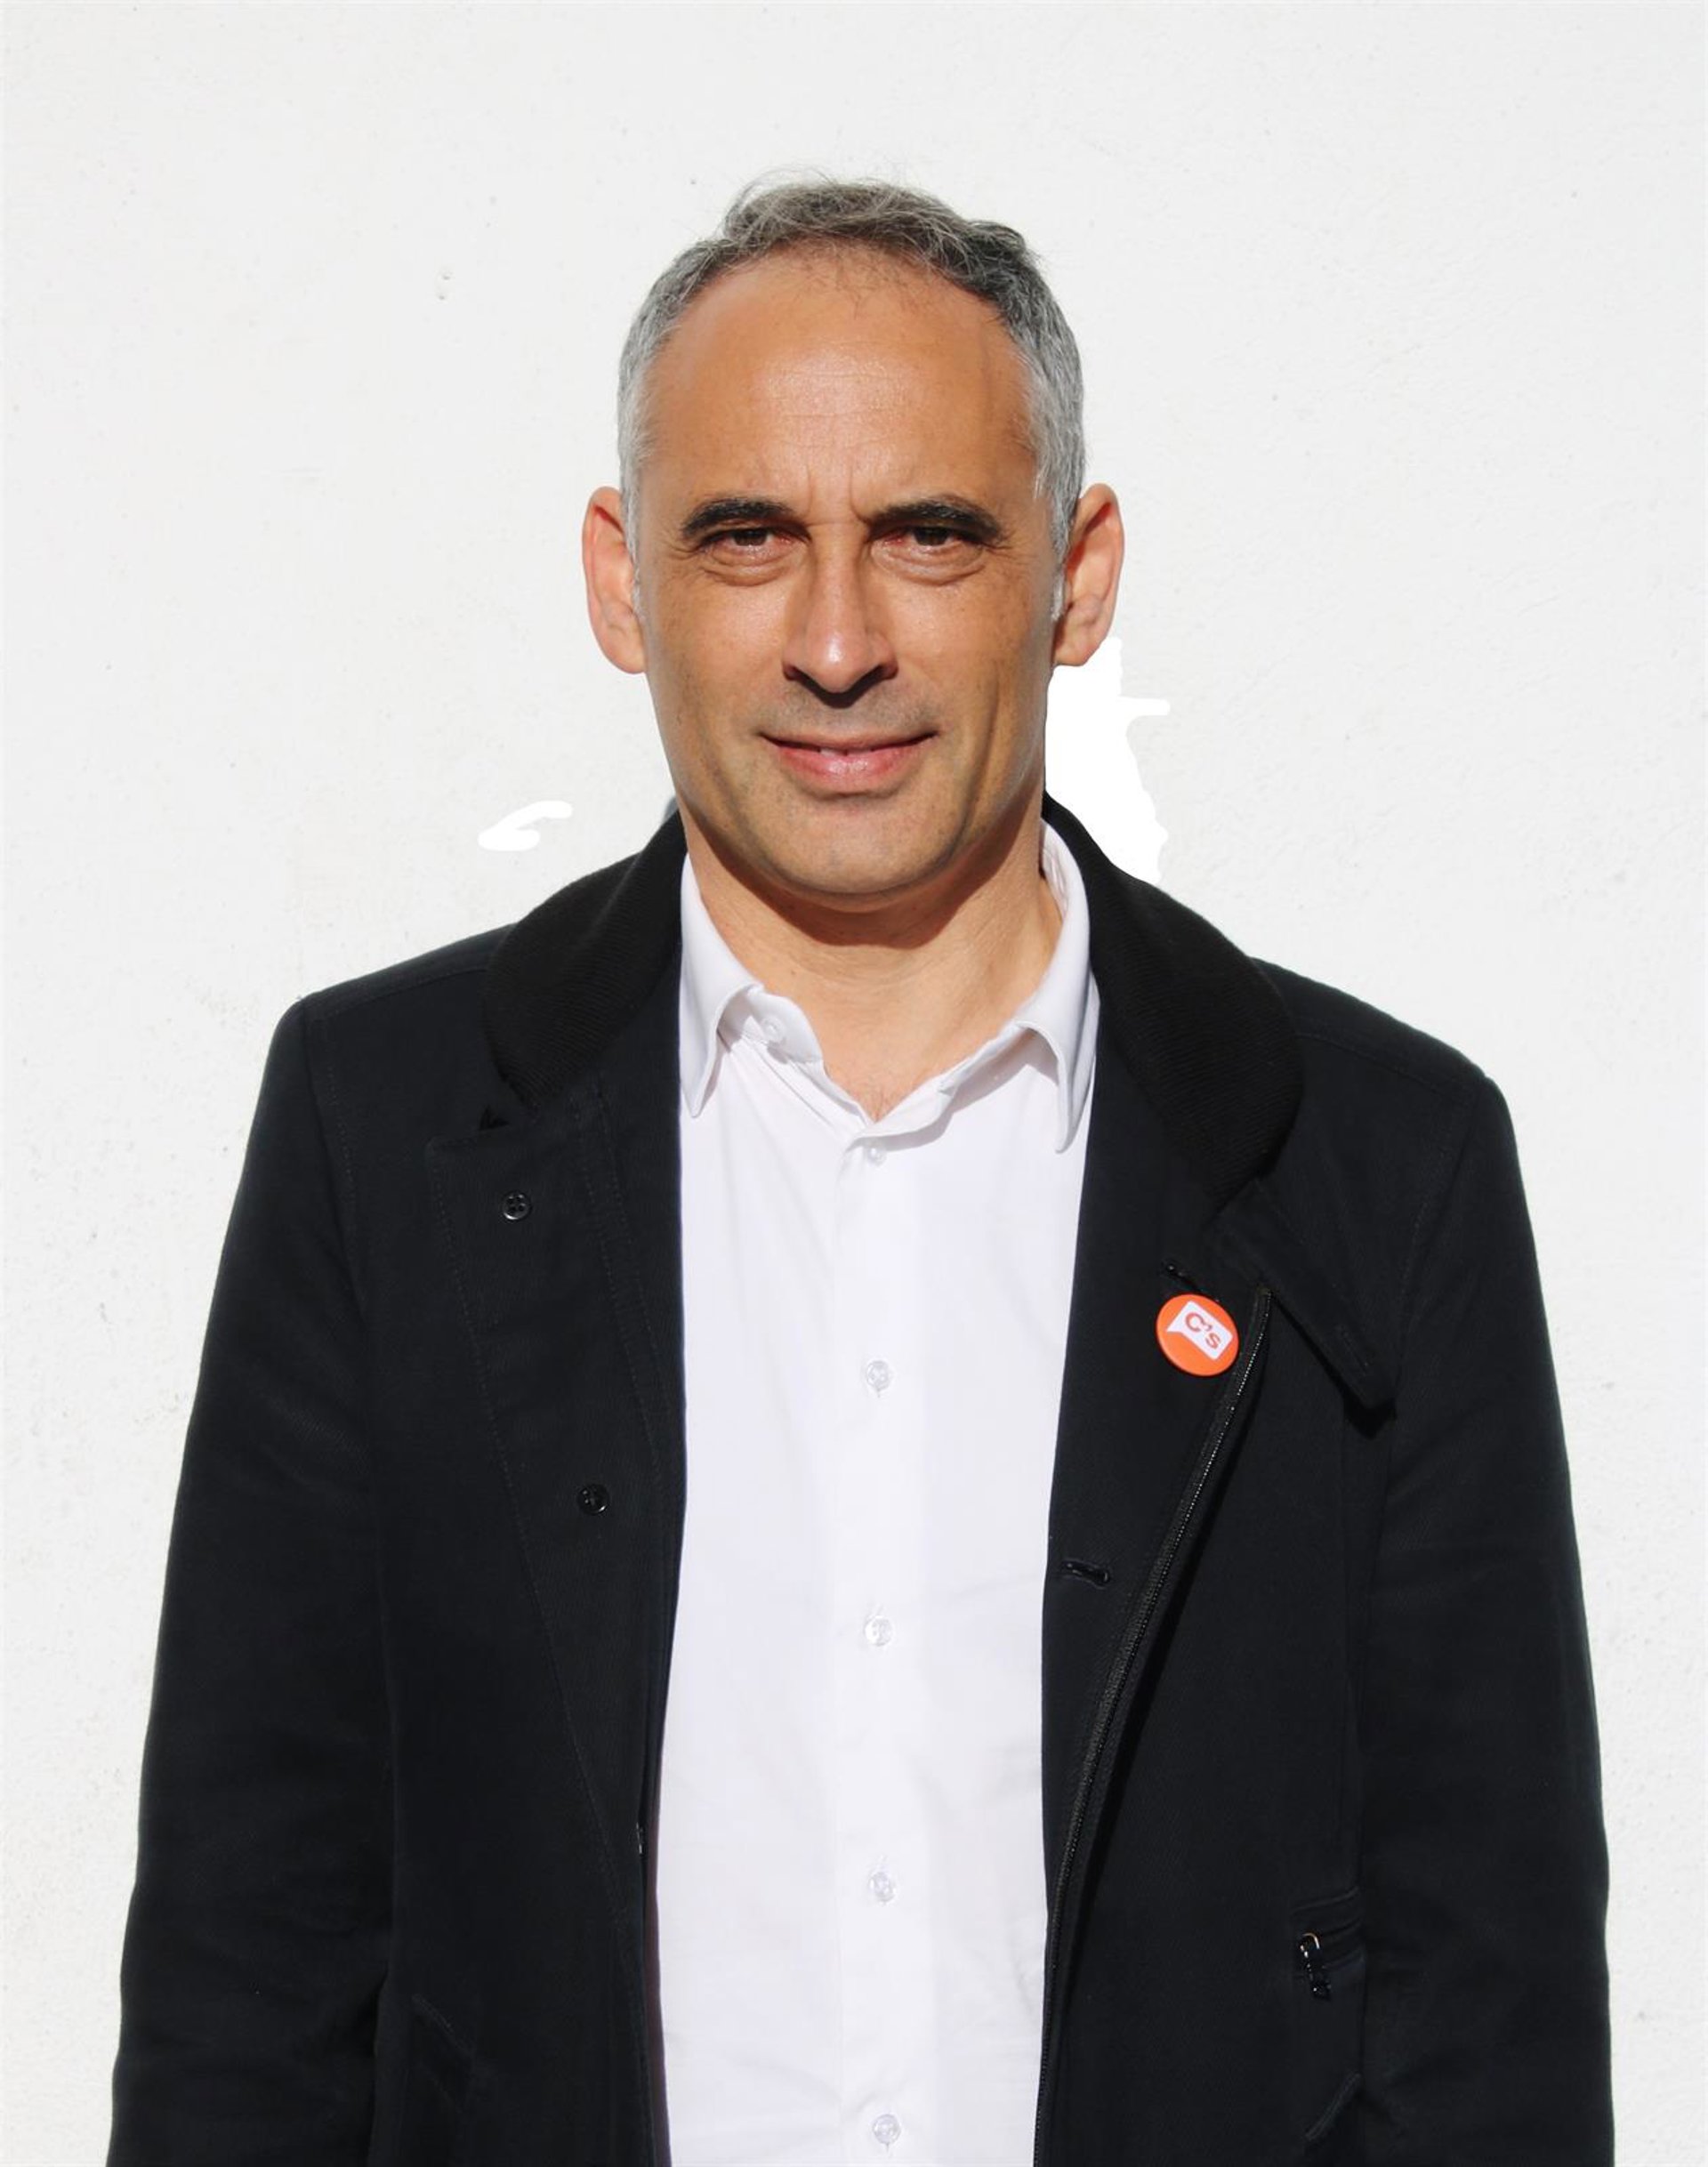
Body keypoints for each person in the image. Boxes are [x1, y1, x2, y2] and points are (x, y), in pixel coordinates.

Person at [108, 176, 1612, 2167]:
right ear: (620, 579)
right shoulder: (377, 1126)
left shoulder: (1379, 1162)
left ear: (1076, 578)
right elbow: (251, 1960)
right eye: (746, 536)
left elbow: (1496, 1999)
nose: (835, 643)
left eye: (929, 535)